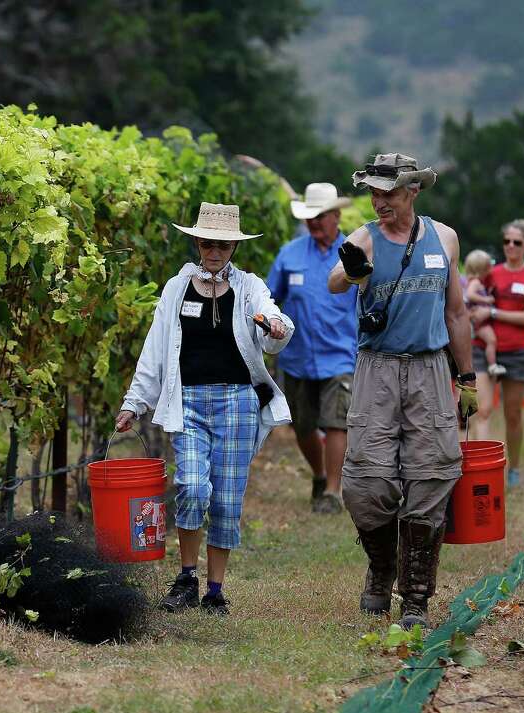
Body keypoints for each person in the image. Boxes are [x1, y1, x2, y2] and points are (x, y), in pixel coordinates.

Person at [116, 202, 293, 615]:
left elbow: (273, 324)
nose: (215, 251)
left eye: (224, 245)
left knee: (227, 500)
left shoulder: (249, 287)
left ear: (233, 246)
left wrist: (275, 326)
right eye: (209, 243)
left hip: (237, 402)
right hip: (189, 402)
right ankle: (186, 577)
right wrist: (134, 403)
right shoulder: (177, 289)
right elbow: (155, 351)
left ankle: (215, 590)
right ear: (198, 242)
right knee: (192, 487)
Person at [328, 153, 478, 630]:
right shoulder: (364, 237)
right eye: (372, 193)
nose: (378, 202)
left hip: (431, 369)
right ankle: (381, 567)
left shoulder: (445, 238)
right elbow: (335, 282)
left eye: (388, 193)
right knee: (365, 482)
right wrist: (352, 271)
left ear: (413, 191)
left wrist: (467, 377)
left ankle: (415, 594)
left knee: (432, 476)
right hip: (377, 370)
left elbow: (456, 313)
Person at [266, 182, 357, 514]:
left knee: (336, 422)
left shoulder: (354, 252)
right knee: (303, 426)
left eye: (321, 216)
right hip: (297, 356)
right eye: (310, 217)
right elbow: (268, 297)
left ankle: (333, 492)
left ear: (336, 215)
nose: (315, 222)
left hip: (341, 354)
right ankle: (319, 475)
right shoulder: (289, 254)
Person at [469, 219, 524, 487]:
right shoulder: (492, 273)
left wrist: (491, 312)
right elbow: (471, 292)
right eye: (506, 241)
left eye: (516, 242)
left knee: (513, 415)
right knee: (482, 411)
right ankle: (483, 470)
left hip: (516, 353)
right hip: (483, 349)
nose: (510, 246)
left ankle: (514, 469)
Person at [463, 250, 506, 378]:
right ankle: (492, 365)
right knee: (491, 341)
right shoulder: (475, 282)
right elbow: (470, 295)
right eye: (489, 265)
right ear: (481, 269)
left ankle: (492, 365)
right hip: (479, 322)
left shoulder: (473, 282)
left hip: (478, 321)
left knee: (491, 341)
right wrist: (486, 300)